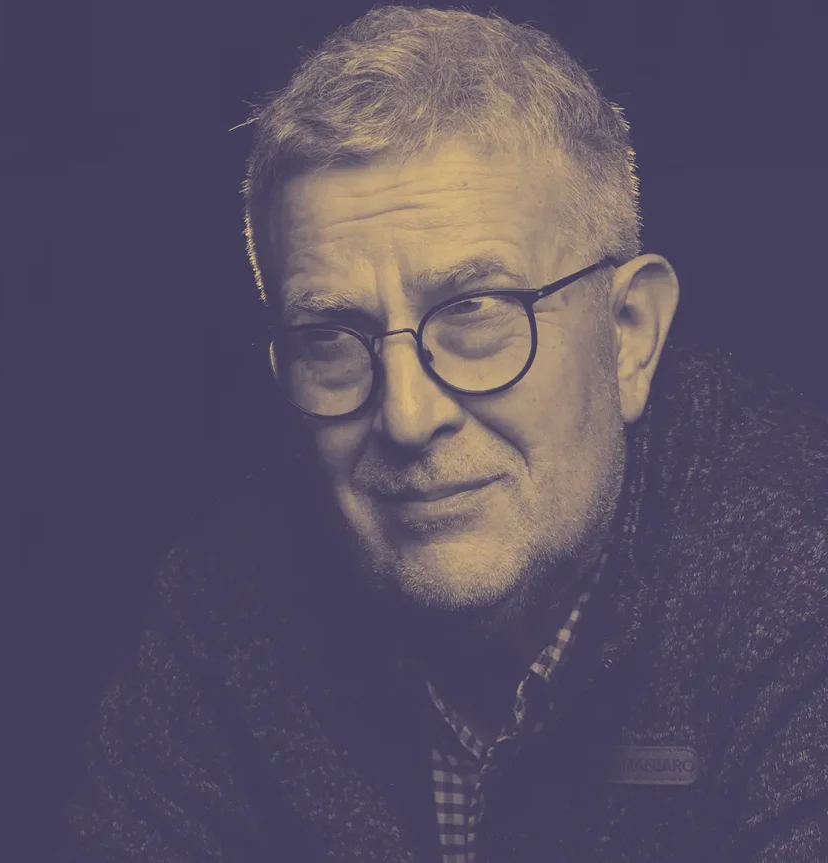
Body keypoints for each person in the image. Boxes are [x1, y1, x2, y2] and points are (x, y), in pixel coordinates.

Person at [60, 7, 828, 862]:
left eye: (474, 312)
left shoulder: (797, 573)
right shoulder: (222, 610)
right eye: (332, 338)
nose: (408, 415)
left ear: (630, 337)